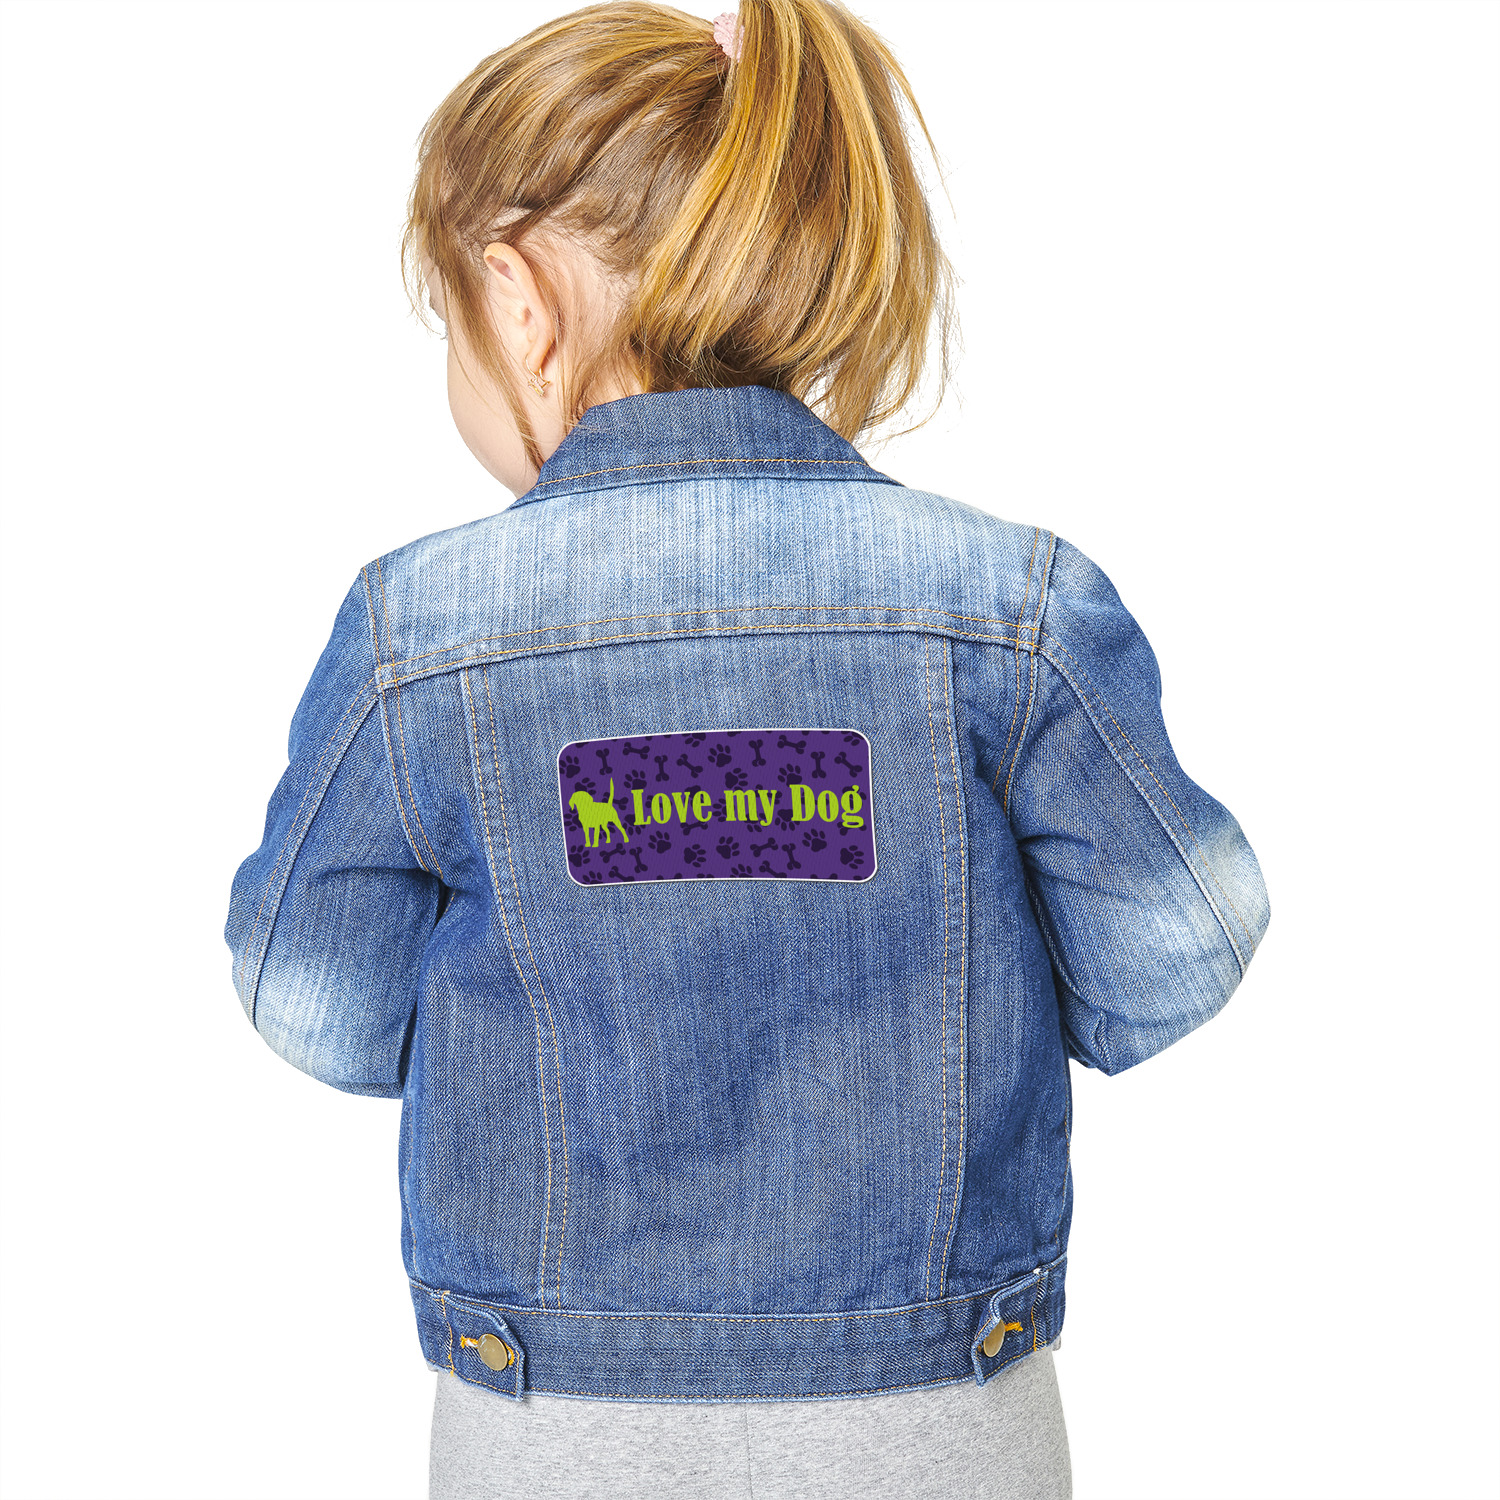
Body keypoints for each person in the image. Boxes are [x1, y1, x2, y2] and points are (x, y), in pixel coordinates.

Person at [224, 2, 1270, 1495]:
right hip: (940, 1423)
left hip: (549, 1427)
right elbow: (1175, 955)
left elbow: (310, 998)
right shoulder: (1009, 607)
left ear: (518, 303)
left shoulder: (420, 636)